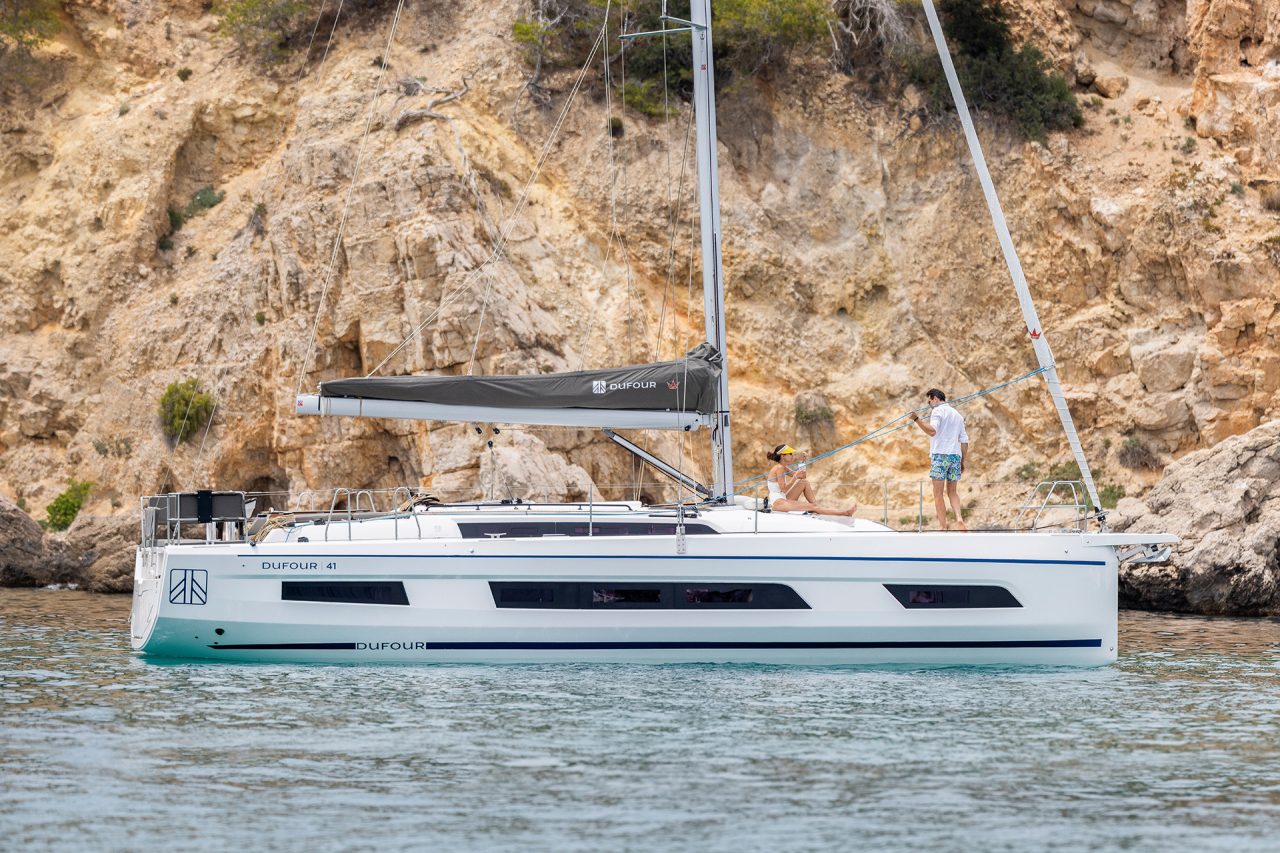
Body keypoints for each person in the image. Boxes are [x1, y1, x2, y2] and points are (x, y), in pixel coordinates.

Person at [908, 388, 969, 531]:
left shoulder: (937, 411)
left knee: (937, 493)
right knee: (952, 492)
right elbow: (964, 441)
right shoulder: (958, 415)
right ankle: (959, 518)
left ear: (935, 398)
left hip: (940, 456)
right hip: (955, 456)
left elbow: (932, 431)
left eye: (929, 401)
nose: (930, 405)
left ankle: (943, 527)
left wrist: (916, 419)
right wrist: (962, 461)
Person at [765, 444, 858, 517]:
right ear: (782, 456)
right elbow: (784, 489)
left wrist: (803, 462)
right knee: (812, 507)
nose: (792, 455)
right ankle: (845, 513)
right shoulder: (779, 468)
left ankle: (816, 508)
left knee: (804, 483)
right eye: (790, 454)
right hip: (777, 503)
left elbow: (802, 476)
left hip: (782, 499)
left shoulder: (784, 468)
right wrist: (795, 477)